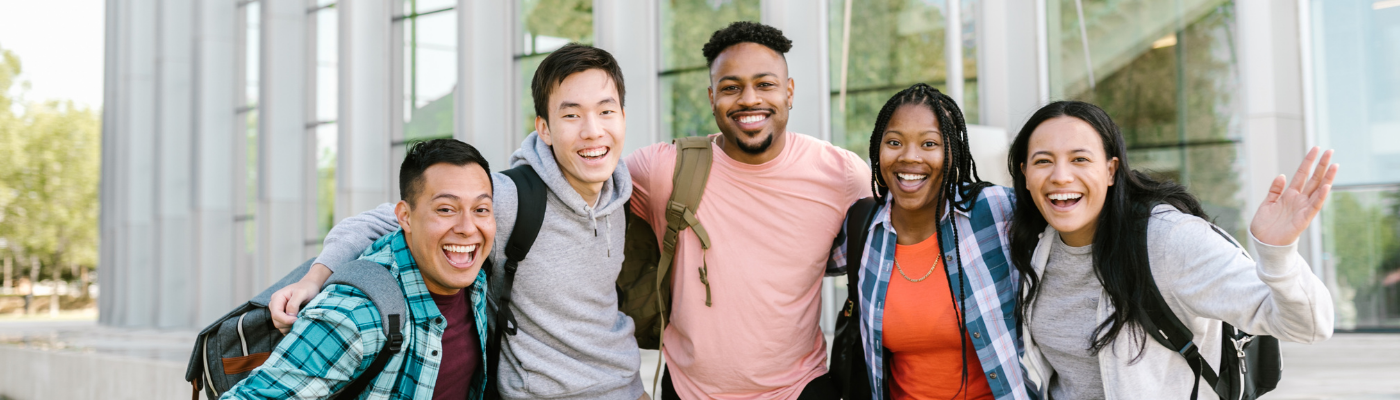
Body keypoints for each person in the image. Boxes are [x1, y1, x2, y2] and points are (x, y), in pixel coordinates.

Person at [270, 44, 648, 400]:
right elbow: (378, 221)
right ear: (544, 128)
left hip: (628, 386)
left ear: (623, 117)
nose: (593, 130)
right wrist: (314, 279)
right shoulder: (507, 198)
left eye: (605, 111)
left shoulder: (623, 192)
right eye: (571, 115)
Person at [1007, 101, 1337, 399]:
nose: (1061, 176)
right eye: (1043, 161)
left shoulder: (1169, 241)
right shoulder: (1032, 245)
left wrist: (1278, 252)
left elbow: (1308, 325)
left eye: (1080, 159)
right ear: (1025, 175)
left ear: (1110, 170)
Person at [625, 21, 872, 400]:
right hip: (689, 391)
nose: (749, 99)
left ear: (789, 92)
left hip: (800, 388)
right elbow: (577, 179)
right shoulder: (664, 170)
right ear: (712, 98)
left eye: (765, 84)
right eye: (730, 88)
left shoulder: (841, 174)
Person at [223, 138, 496, 399]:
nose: (468, 228)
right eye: (446, 209)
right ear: (405, 217)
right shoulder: (356, 313)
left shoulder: (478, 282)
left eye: (481, 209)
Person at [829, 83, 1034, 399]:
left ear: (952, 151)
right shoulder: (863, 227)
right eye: (894, 142)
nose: (910, 157)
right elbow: (798, 261)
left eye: (929, 144)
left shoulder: (995, 210)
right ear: (877, 149)